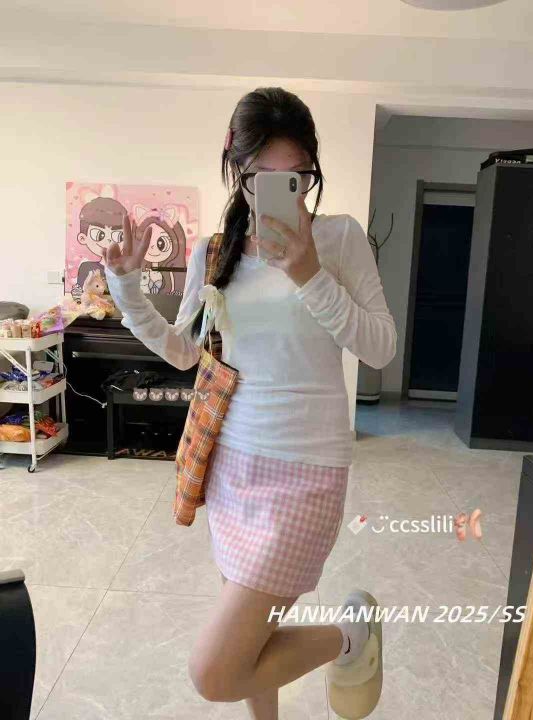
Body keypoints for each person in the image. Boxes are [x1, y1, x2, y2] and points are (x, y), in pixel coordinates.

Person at [103, 86, 397, 720]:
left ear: (312, 172)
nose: (281, 191)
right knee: (252, 644)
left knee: (215, 671)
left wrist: (309, 275)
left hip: (308, 470)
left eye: (297, 177)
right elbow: (185, 352)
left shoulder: (339, 238)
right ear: (236, 168)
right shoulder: (218, 252)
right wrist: (126, 287)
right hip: (234, 464)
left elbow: (380, 347)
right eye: (263, 177)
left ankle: (351, 637)